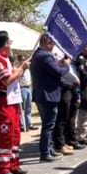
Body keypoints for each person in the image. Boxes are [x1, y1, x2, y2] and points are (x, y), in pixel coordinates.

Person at [0, 30, 30, 174]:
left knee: (15, 134)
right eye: (9, 41)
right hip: (3, 101)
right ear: (5, 44)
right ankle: (3, 169)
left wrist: (20, 69)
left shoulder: (6, 59)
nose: (11, 44)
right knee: (6, 135)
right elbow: (7, 80)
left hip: (13, 100)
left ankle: (13, 164)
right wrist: (22, 68)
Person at [30, 33, 71, 162]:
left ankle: (50, 149)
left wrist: (57, 64)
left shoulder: (38, 55)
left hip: (43, 94)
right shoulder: (45, 56)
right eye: (52, 44)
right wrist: (66, 65)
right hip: (48, 95)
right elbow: (58, 72)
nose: (53, 47)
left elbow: (50, 70)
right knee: (49, 125)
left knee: (49, 124)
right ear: (47, 43)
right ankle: (45, 152)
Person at [17, 55, 37, 132]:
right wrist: (23, 68)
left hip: (28, 88)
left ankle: (29, 124)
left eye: (24, 59)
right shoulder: (19, 69)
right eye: (21, 59)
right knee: (22, 108)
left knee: (28, 108)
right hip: (22, 89)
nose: (23, 61)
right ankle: (22, 125)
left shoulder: (28, 70)